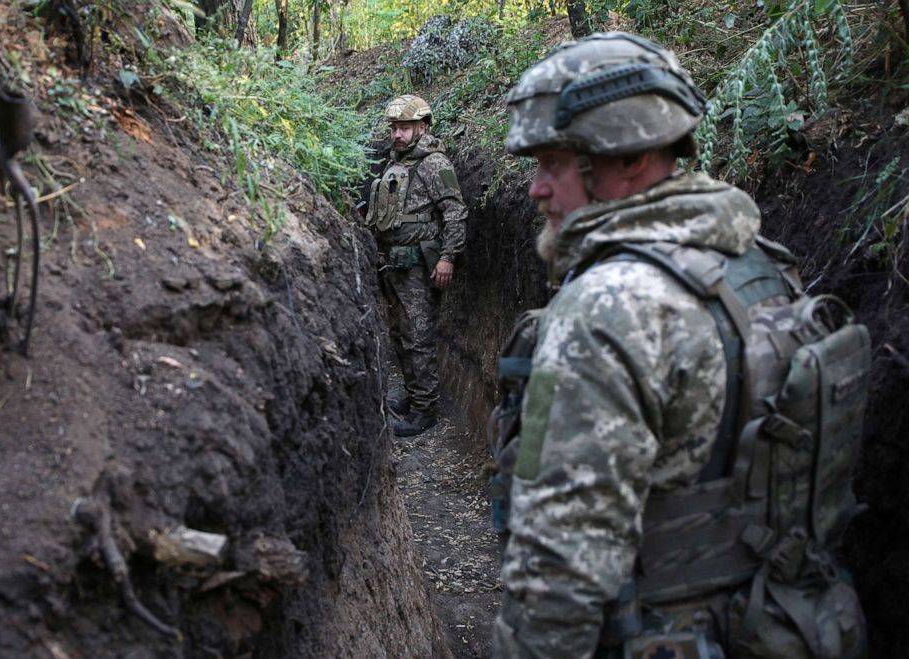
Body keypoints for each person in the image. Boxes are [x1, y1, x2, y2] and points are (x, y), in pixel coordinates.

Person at [491, 32, 868, 658]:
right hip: (785, 625)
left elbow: (558, 571)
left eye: (553, 164)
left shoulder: (605, 309)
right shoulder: (756, 265)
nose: (536, 189)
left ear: (628, 159)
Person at [364, 95, 467, 437]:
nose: (398, 134)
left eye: (405, 128)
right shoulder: (398, 161)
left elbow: (455, 212)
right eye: (394, 128)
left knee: (418, 337)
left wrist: (448, 258)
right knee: (400, 333)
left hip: (420, 266)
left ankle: (426, 410)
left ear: (422, 128)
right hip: (394, 262)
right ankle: (412, 394)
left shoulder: (434, 164)